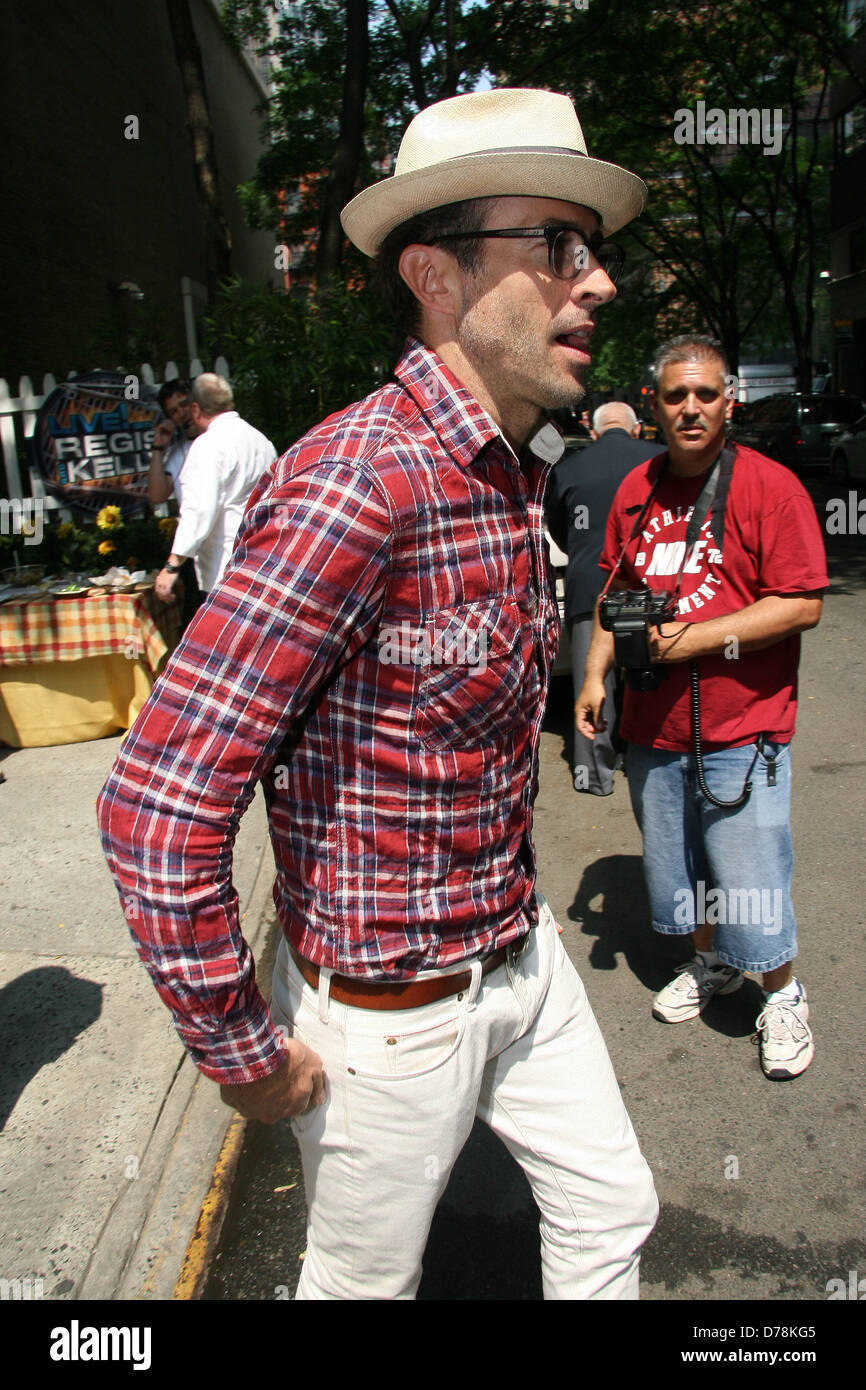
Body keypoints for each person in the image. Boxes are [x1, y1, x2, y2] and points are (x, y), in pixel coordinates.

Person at [98, 87, 658, 1299]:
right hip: (389, 1018)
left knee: (614, 1209)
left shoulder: (509, 470)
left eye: (593, 250)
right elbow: (157, 802)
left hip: (518, 958)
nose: (595, 282)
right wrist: (241, 1048)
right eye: (555, 247)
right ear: (434, 273)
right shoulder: (360, 485)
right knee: (360, 1288)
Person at [577, 334, 827, 1080]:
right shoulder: (636, 490)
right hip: (655, 727)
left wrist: (689, 639)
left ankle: (782, 994)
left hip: (740, 725)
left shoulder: (770, 487)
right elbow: (613, 597)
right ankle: (713, 963)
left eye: (706, 394)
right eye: (676, 395)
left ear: (730, 401)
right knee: (681, 866)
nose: (691, 408)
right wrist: (595, 677)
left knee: (746, 871)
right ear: (653, 403)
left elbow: (802, 604)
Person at [547, 401, 664, 794]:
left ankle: (594, 774)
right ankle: (651, 762)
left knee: (592, 682)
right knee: (652, 674)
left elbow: (559, 527)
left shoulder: (568, 468)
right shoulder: (661, 459)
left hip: (589, 585)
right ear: (635, 430)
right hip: (651, 586)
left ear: (594, 432)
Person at [154, 374, 276, 600]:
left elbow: (199, 510)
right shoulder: (261, 441)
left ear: (196, 409)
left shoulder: (207, 445)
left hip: (226, 568)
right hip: (263, 558)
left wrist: (172, 565)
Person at [147, 379, 196, 508]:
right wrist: (157, 448)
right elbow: (157, 496)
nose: (182, 413)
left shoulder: (223, 435)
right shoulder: (178, 454)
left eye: (184, 404)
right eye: (173, 411)